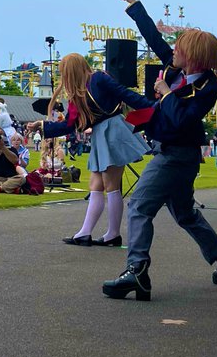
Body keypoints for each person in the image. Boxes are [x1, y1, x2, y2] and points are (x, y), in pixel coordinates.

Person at [102, 0, 217, 302]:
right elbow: (153, 37)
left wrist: (166, 93)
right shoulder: (176, 70)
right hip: (175, 154)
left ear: (194, 56)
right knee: (186, 214)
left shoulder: (207, 88)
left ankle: (137, 271)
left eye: (180, 47)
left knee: (139, 205)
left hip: (176, 156)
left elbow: (182, 120)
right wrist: (134, 4)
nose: (173, 50)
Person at [33, 51, 149, 247]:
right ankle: (85, 233)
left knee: (111, 185)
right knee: (96, 185)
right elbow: (69, 124)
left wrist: (153, 107)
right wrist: (43, 126)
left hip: (113, 131)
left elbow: (124, 94)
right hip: (103, 134)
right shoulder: (81, 92)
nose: (64, 77)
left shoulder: (96, 81)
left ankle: (113, 234)